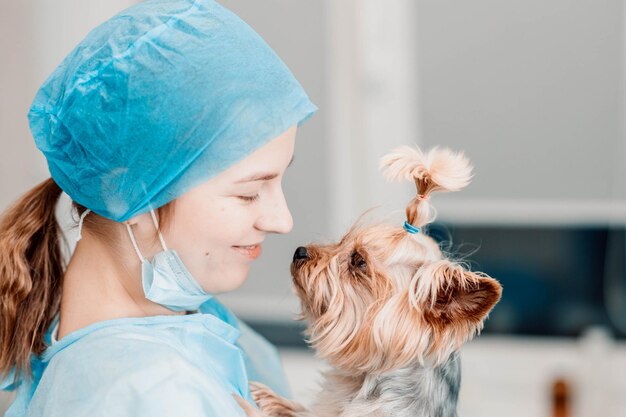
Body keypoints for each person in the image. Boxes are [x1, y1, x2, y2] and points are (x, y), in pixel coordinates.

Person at [0, 1, 317, 416]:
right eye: (248, 193)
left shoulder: (187, 325)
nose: (282, 220)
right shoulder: (156, 394)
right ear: (131, 193)